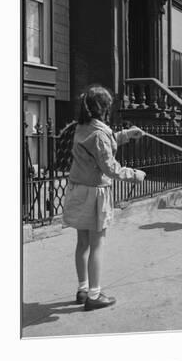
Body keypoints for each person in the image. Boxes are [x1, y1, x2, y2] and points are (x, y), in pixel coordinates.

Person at [63, 85, 146, 310]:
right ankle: (94, 295)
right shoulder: (99, 133)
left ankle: (82, 289)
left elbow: (100, 147)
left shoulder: (82, 127)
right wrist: (135, 175)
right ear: (104, 108)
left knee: (82, 243)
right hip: (94, 194)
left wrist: (127, 135)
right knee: (97, 244)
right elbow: (110, 167)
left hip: (77, 189)